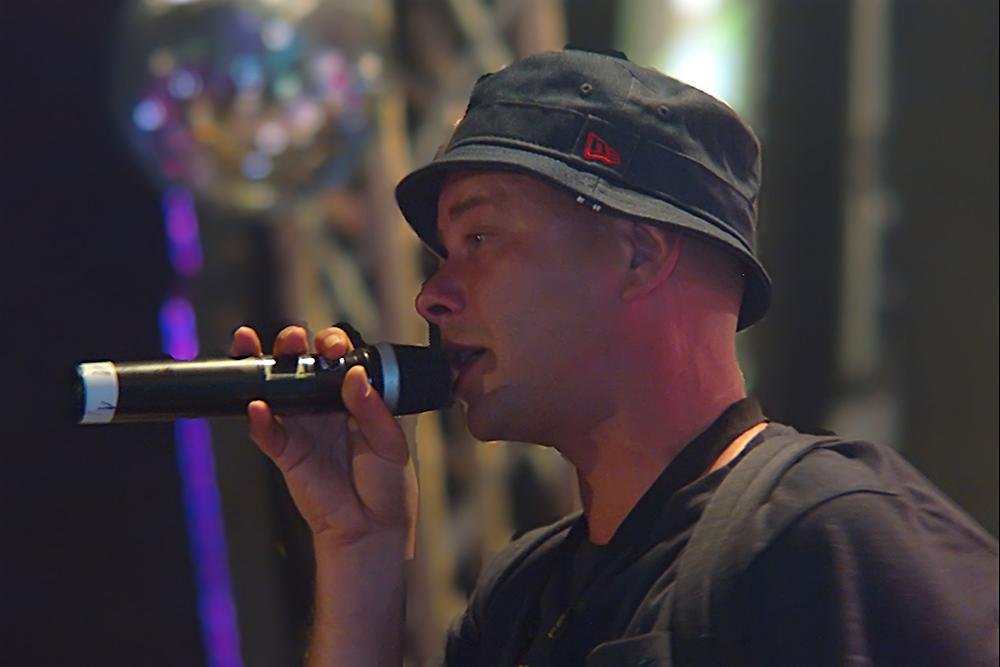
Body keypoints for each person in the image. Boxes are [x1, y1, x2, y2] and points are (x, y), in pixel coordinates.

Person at [230, 48, 999, 665]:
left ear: (639, 254)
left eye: (480, 238)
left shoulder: (824, 533)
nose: (431, 296)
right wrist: (359, 549)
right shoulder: (519, 596)